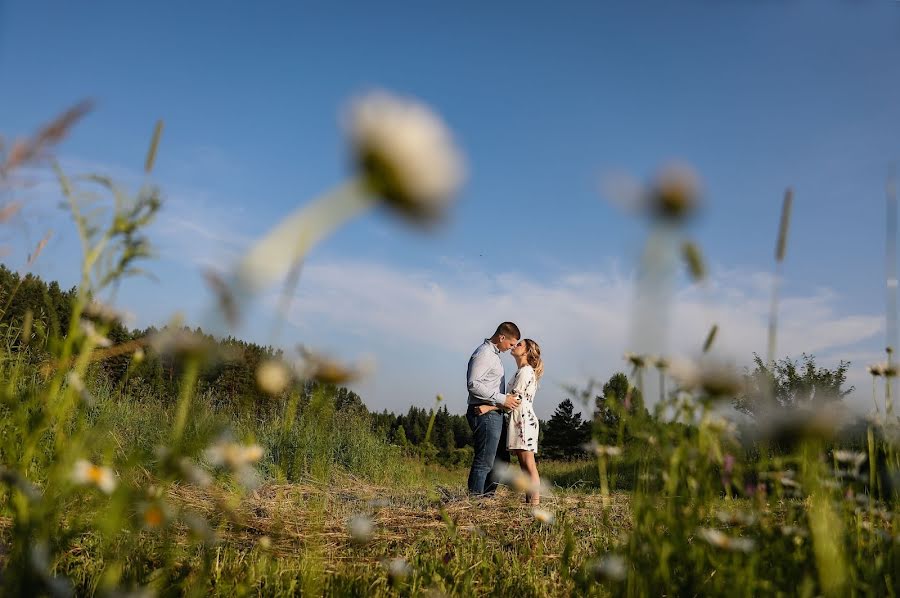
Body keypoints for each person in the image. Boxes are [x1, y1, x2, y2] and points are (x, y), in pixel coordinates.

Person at [476, 338, 543, 504]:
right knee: (524, 465)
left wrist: (489, 407)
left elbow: (515, 399)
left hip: (524, 421)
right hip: (518, 420)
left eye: (519, 344)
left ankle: (534, 504)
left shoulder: (526, 371)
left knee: (528, 465)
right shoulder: (520, 371)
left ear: (527, 352)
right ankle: (530, 503)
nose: (515, 345)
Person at [466, 321, 521, 496]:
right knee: (485, 461)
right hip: (483, 415)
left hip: (494, 412)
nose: (511, 348)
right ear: (502, 337)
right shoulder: (484, 354)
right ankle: (474, 502)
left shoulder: (494, 355)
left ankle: (487, 498)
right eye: (511, 344)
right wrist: (502, 399)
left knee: (502, 461)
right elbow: (473, 384)